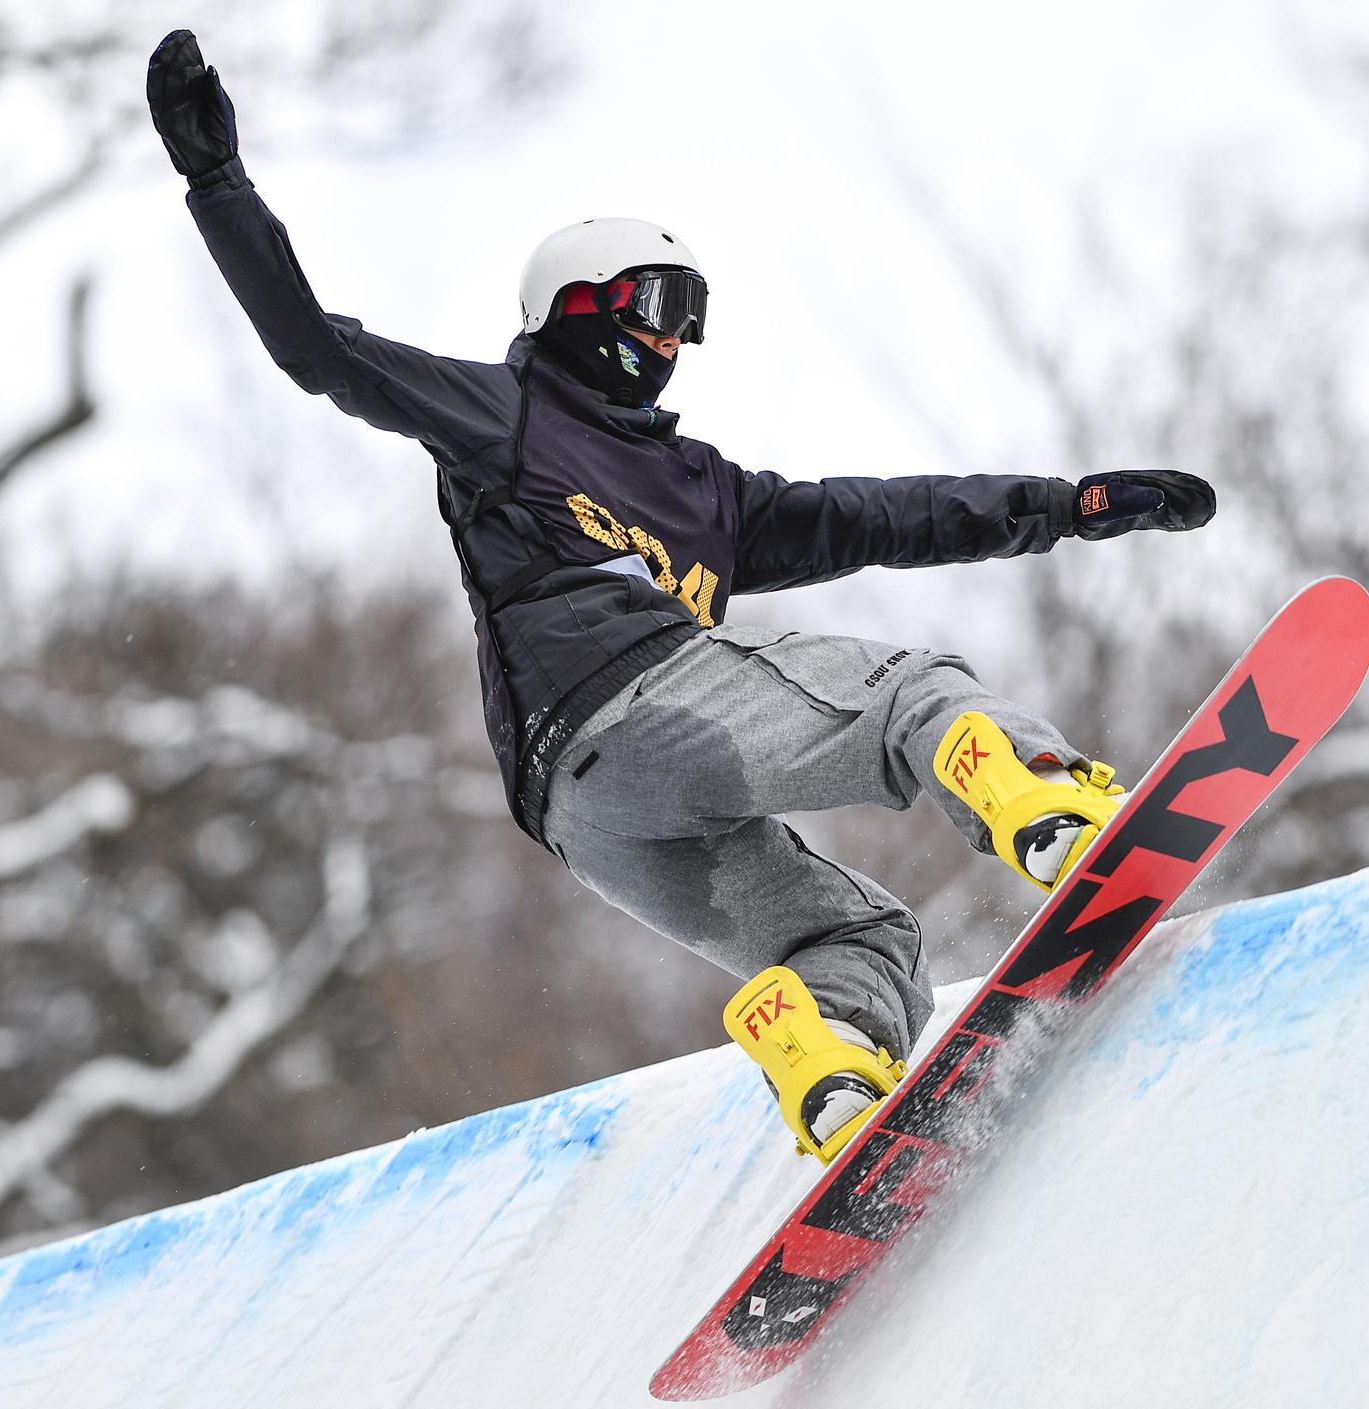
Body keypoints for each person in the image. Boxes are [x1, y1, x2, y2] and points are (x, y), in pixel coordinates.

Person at [146, 30, 1215, 1162]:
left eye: (688, 314)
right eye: (655, 301)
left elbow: (881, 513)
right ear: (576, 303)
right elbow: (316, 349)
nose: (667, 336)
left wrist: (1061, 504)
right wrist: (217, 183)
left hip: (583, 814)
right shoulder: (505, 414)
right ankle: (1040, 806)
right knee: (911, 696)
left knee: (856, 933)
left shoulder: (703, 492)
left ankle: (831, 1071)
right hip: (636, 697)